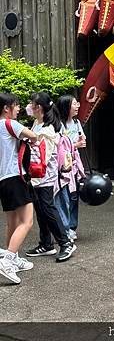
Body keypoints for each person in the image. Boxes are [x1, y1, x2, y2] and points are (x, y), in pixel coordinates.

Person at [24, 92, 76, 262]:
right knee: (41, 210)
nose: (29, 107)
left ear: (38, 107)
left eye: (32, 104)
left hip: (44, 176)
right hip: (37, 177)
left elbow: (43, 157)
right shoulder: (37, 124)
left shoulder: (47, 129)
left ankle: (65, 242)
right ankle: (46, 244)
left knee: (47, 208)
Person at [0, 93, 38, 284]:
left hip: (3, 181)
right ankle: (7, 261)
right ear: (6, 108)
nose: (18, 109)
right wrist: (31, 138)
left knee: (12, 222)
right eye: (16, 106)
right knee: (27, 221)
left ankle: (12, 258)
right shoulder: (10, 124)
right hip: (16, 178)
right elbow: (33, 135)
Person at [55, 95, 86, 242]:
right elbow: (59, 148)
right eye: (75, 104)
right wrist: (76, 145)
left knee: (74, 197)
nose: (78, 106)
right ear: (66, 107)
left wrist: (80, 142)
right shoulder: (58, 125)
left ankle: (72, 228)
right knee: (64, 198)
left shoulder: (76, 122)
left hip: (75, 166)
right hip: (63, 168)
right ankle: (64, 229)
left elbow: (82, 140)